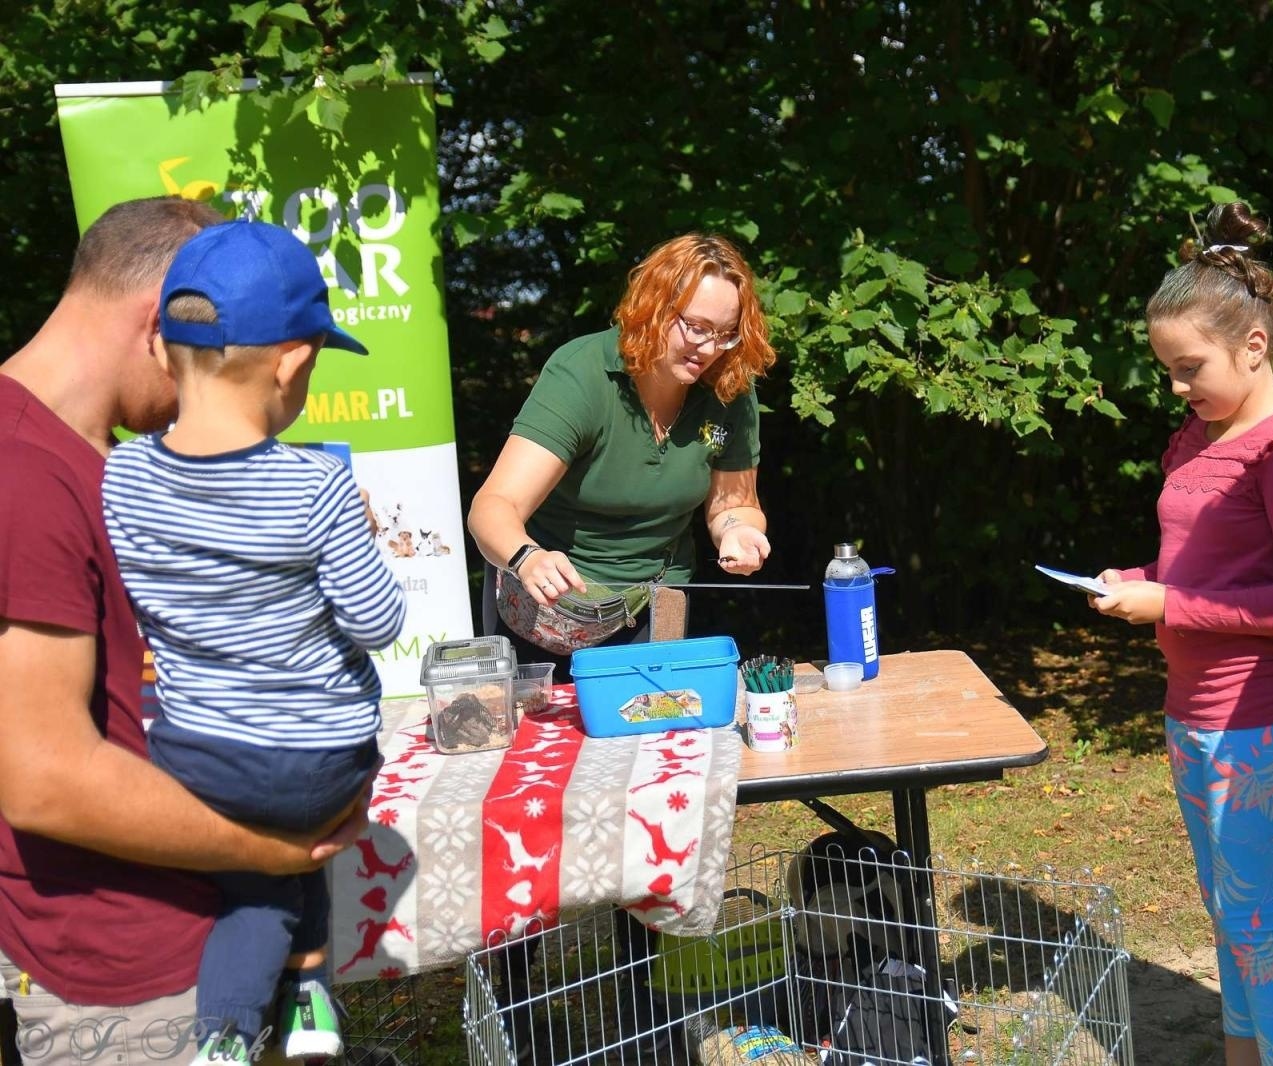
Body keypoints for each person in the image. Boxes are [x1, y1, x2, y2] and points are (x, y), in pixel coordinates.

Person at [0, 197, 366, 1066]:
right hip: (134, 979)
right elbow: (41, 777)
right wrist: (275, 849)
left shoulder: (111, 462)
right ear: (166, 317)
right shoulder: (23, 476)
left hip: (204, 936)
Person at [99, 219, 406, 1064]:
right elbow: (378, 622)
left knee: (256, 879)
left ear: (163, 351)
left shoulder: (121, 474)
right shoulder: (317, 484)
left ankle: (302, 1006)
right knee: (276, 878)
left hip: (198, 755)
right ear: (295, 362)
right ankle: (233, 1034)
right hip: (320, 754)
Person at [1091, 202, 1273, 1066]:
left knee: (1258, 923)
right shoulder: (1196, 440)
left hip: (1262, 718)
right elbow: (1207, 572)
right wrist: (1142, 583)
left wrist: (1173, 607)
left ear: (1254, 348)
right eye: (1166, 368)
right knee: (1225, 909)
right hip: (1191, 710)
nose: (1176, 386)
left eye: (1188, 366)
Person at [468, 232, 777, 672]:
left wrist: (738, 531)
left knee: (652, 730)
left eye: (725, 334)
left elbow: (736, 504)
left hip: (656, 603)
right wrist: (527, 556)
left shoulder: (729, 387)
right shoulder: (582, 375)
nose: (709, 349)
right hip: (547, 608)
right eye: (696, 327)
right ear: (653, 307)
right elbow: (492, 507)